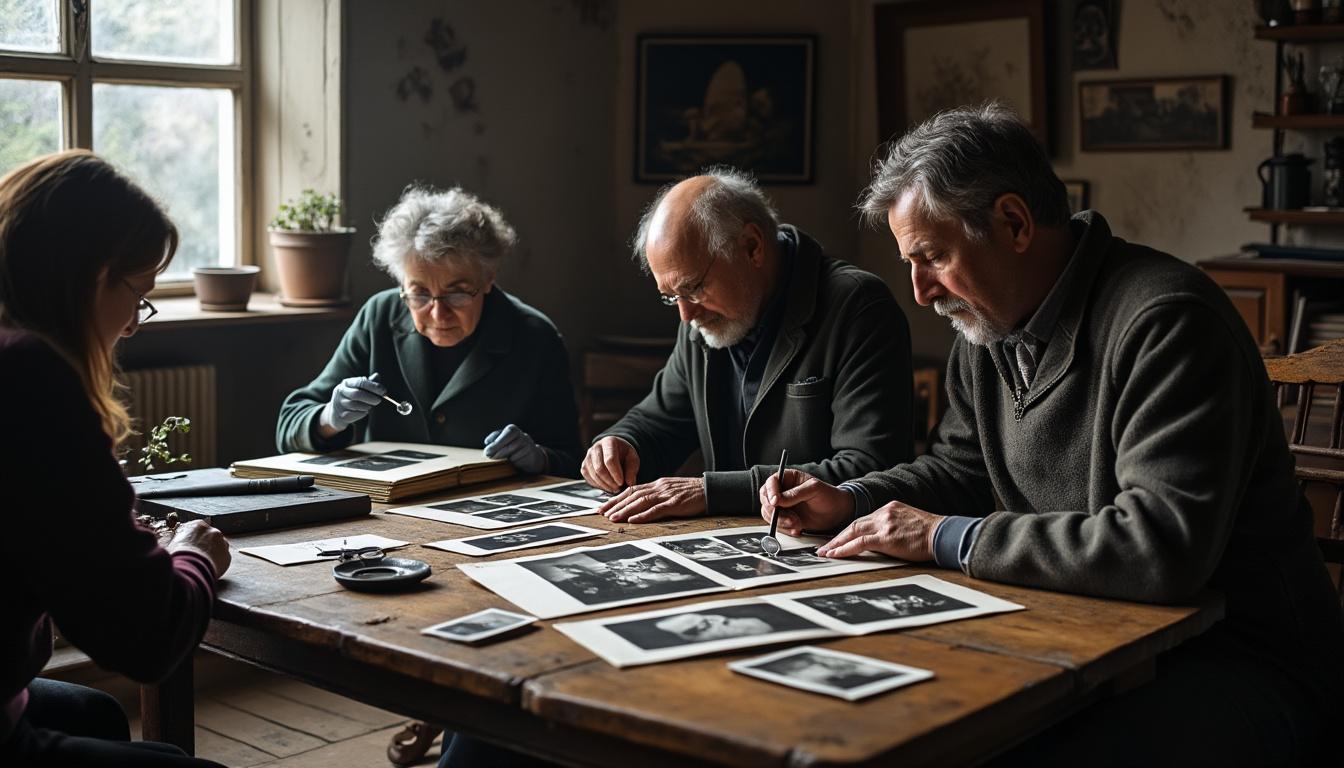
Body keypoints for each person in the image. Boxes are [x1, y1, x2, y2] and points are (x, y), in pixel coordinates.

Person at [760, 103, 1344, 764]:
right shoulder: (986, 326)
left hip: (1240, 661)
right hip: (1083, 636)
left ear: (1012, 223)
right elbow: (963, 470)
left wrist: (945, 536)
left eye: (933, 257)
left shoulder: (1168, 321)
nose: (920, 292)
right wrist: (852, 497)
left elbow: (1159, 550)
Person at [0, 150, 232, 766]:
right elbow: (146, 640)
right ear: (95, 274)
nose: (133, 325)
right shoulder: (28, 375)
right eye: (140, 294)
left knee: (97, 713)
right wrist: (193, 557)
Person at [583, 167, 914, 523]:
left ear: (752, 246)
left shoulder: (858, 306)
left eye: (694, 287)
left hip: (829, 547)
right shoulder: (703, 318)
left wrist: (714, 492)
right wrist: (621, 444)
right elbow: (661, 420)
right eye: (671, 297)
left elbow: (871, 467)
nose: (685, 314)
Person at [277, 185, 581, 476]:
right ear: (401, 284)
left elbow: (571, 458)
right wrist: (329, 418)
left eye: (457, 293)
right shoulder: (379, 316)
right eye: (419, 294)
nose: (438, 313)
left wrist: (539, 457)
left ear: (489, 278)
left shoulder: (534, 336)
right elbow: (289, 424)